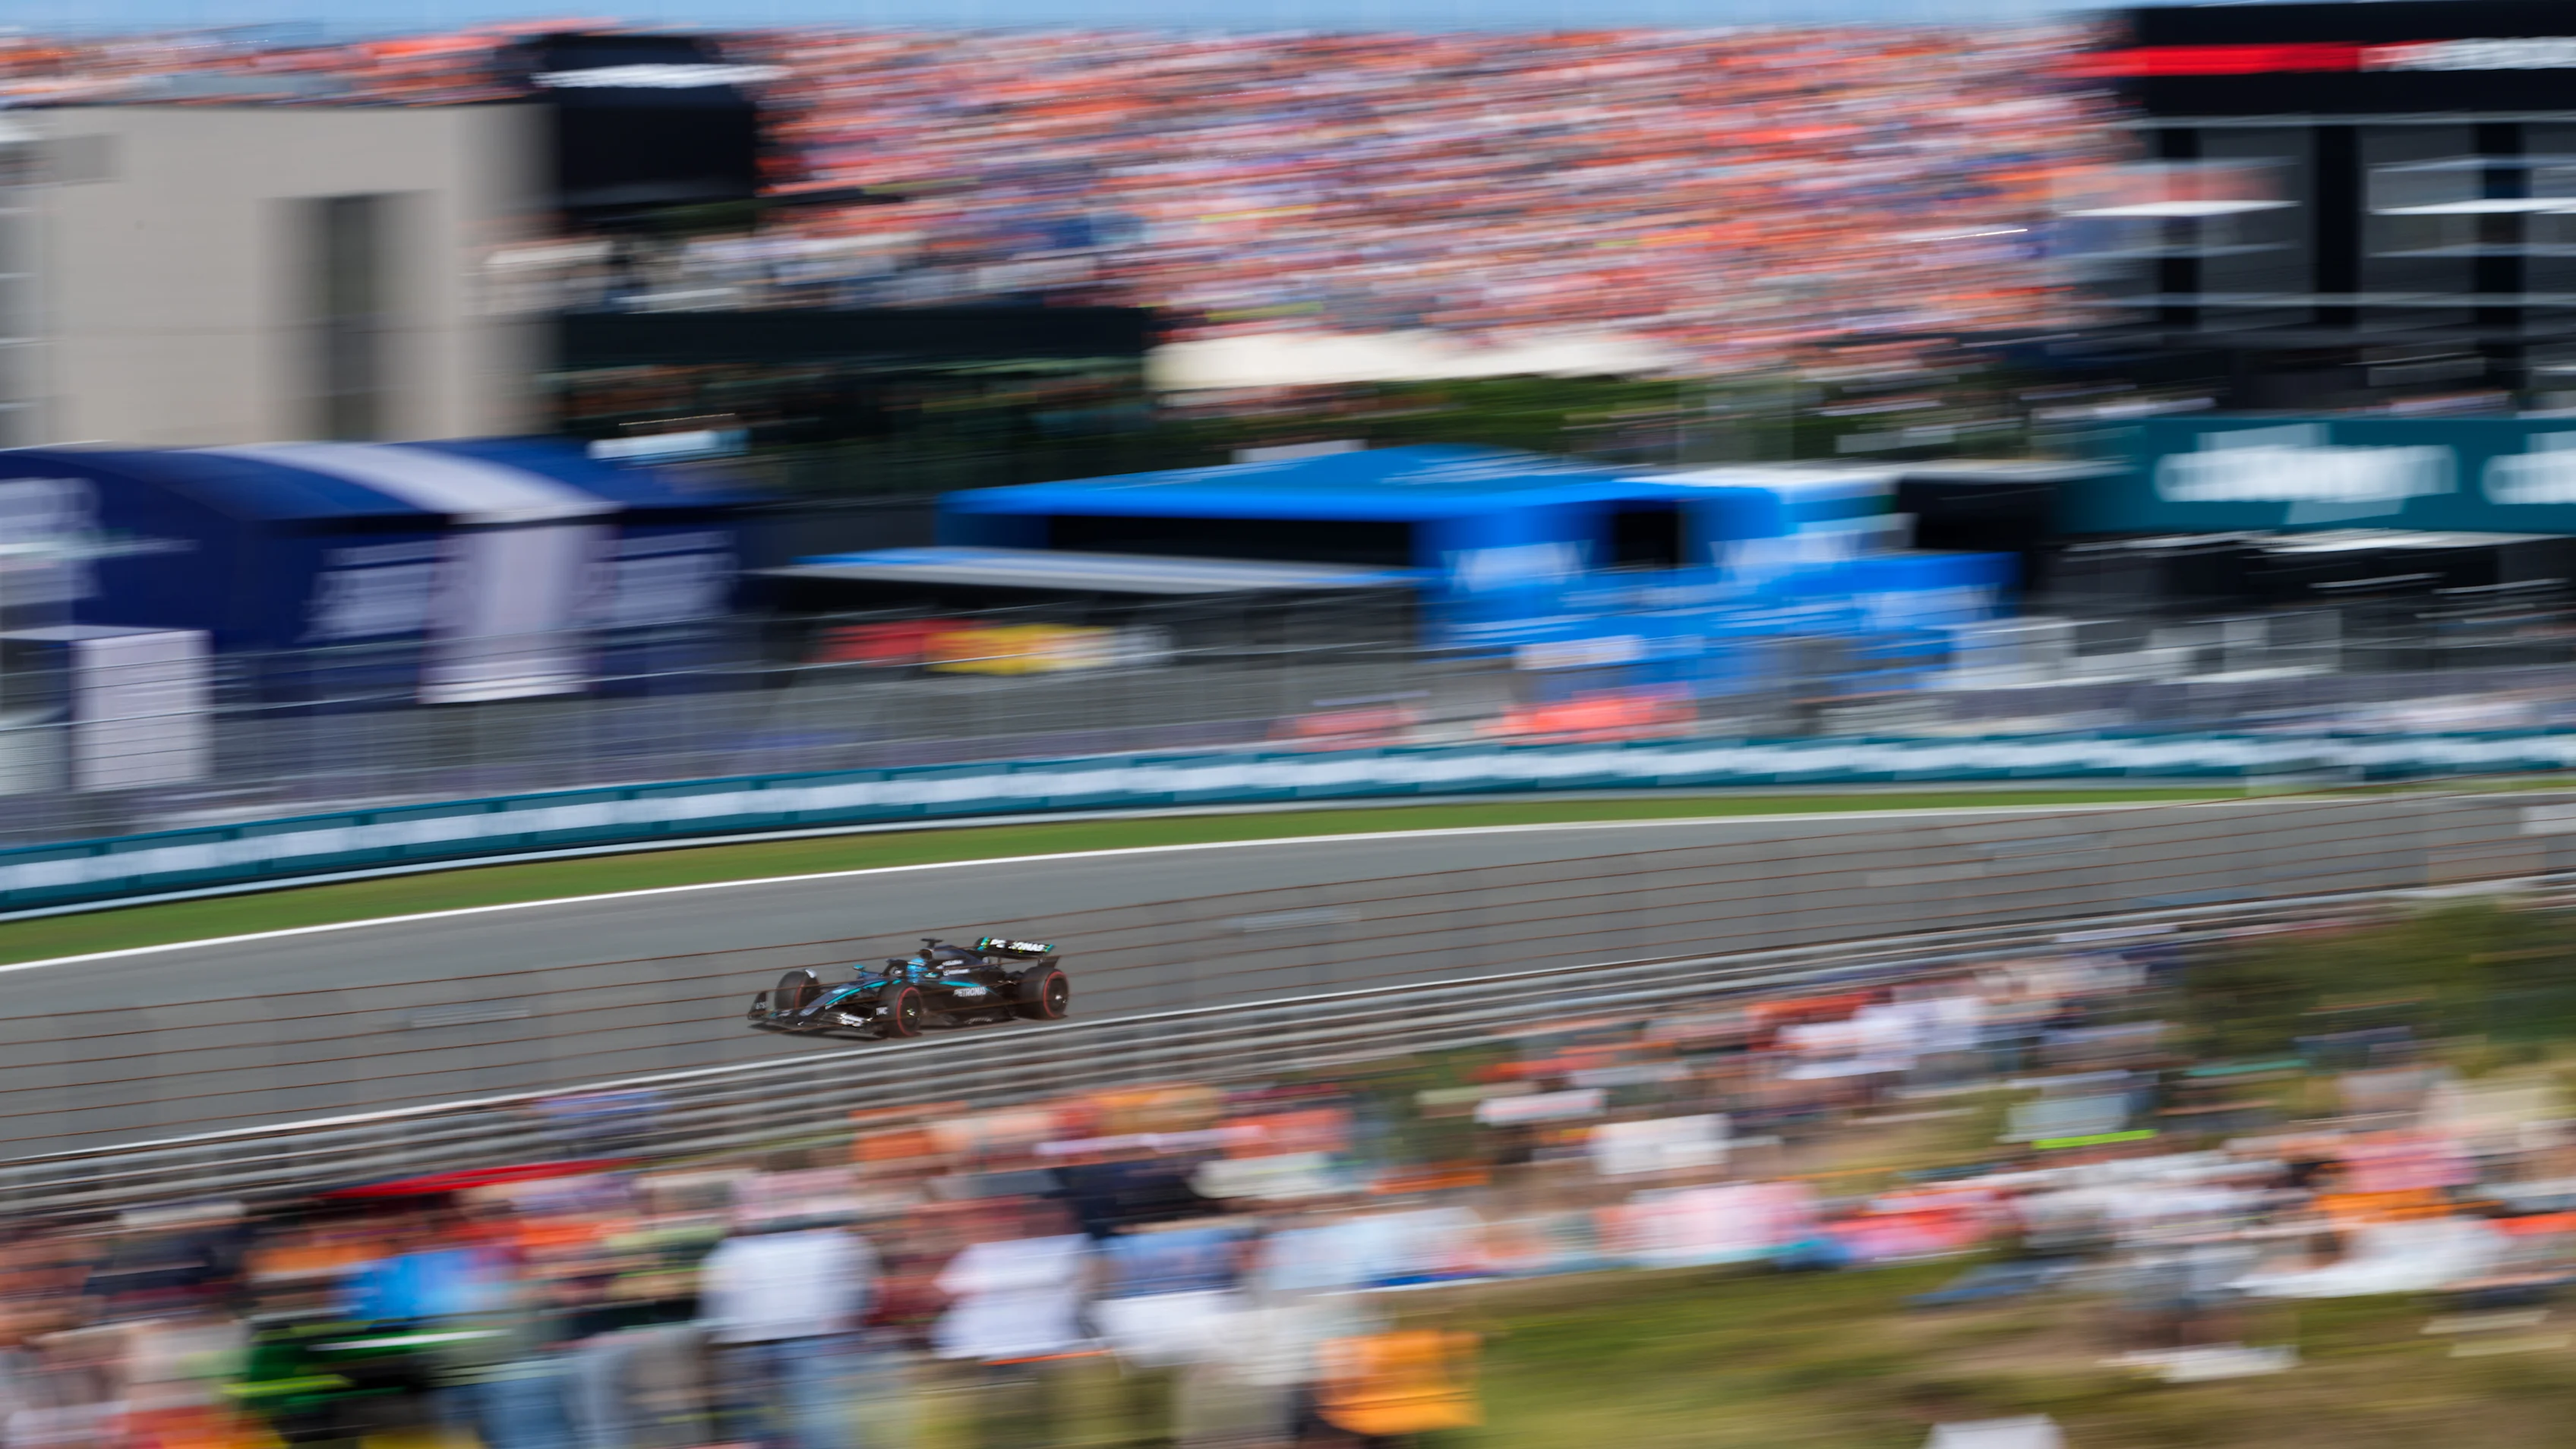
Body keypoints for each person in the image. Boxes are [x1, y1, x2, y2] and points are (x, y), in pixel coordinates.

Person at [699, 1211, 879, 1449]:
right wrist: (847, 1330)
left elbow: (716, 1302)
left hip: (749, 1342)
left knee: (754, 1412)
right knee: (814, 1408)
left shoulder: (731, 1251)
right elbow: (860, 1288)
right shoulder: (832, 1243)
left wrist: (718, 1339)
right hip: (809, 1338)